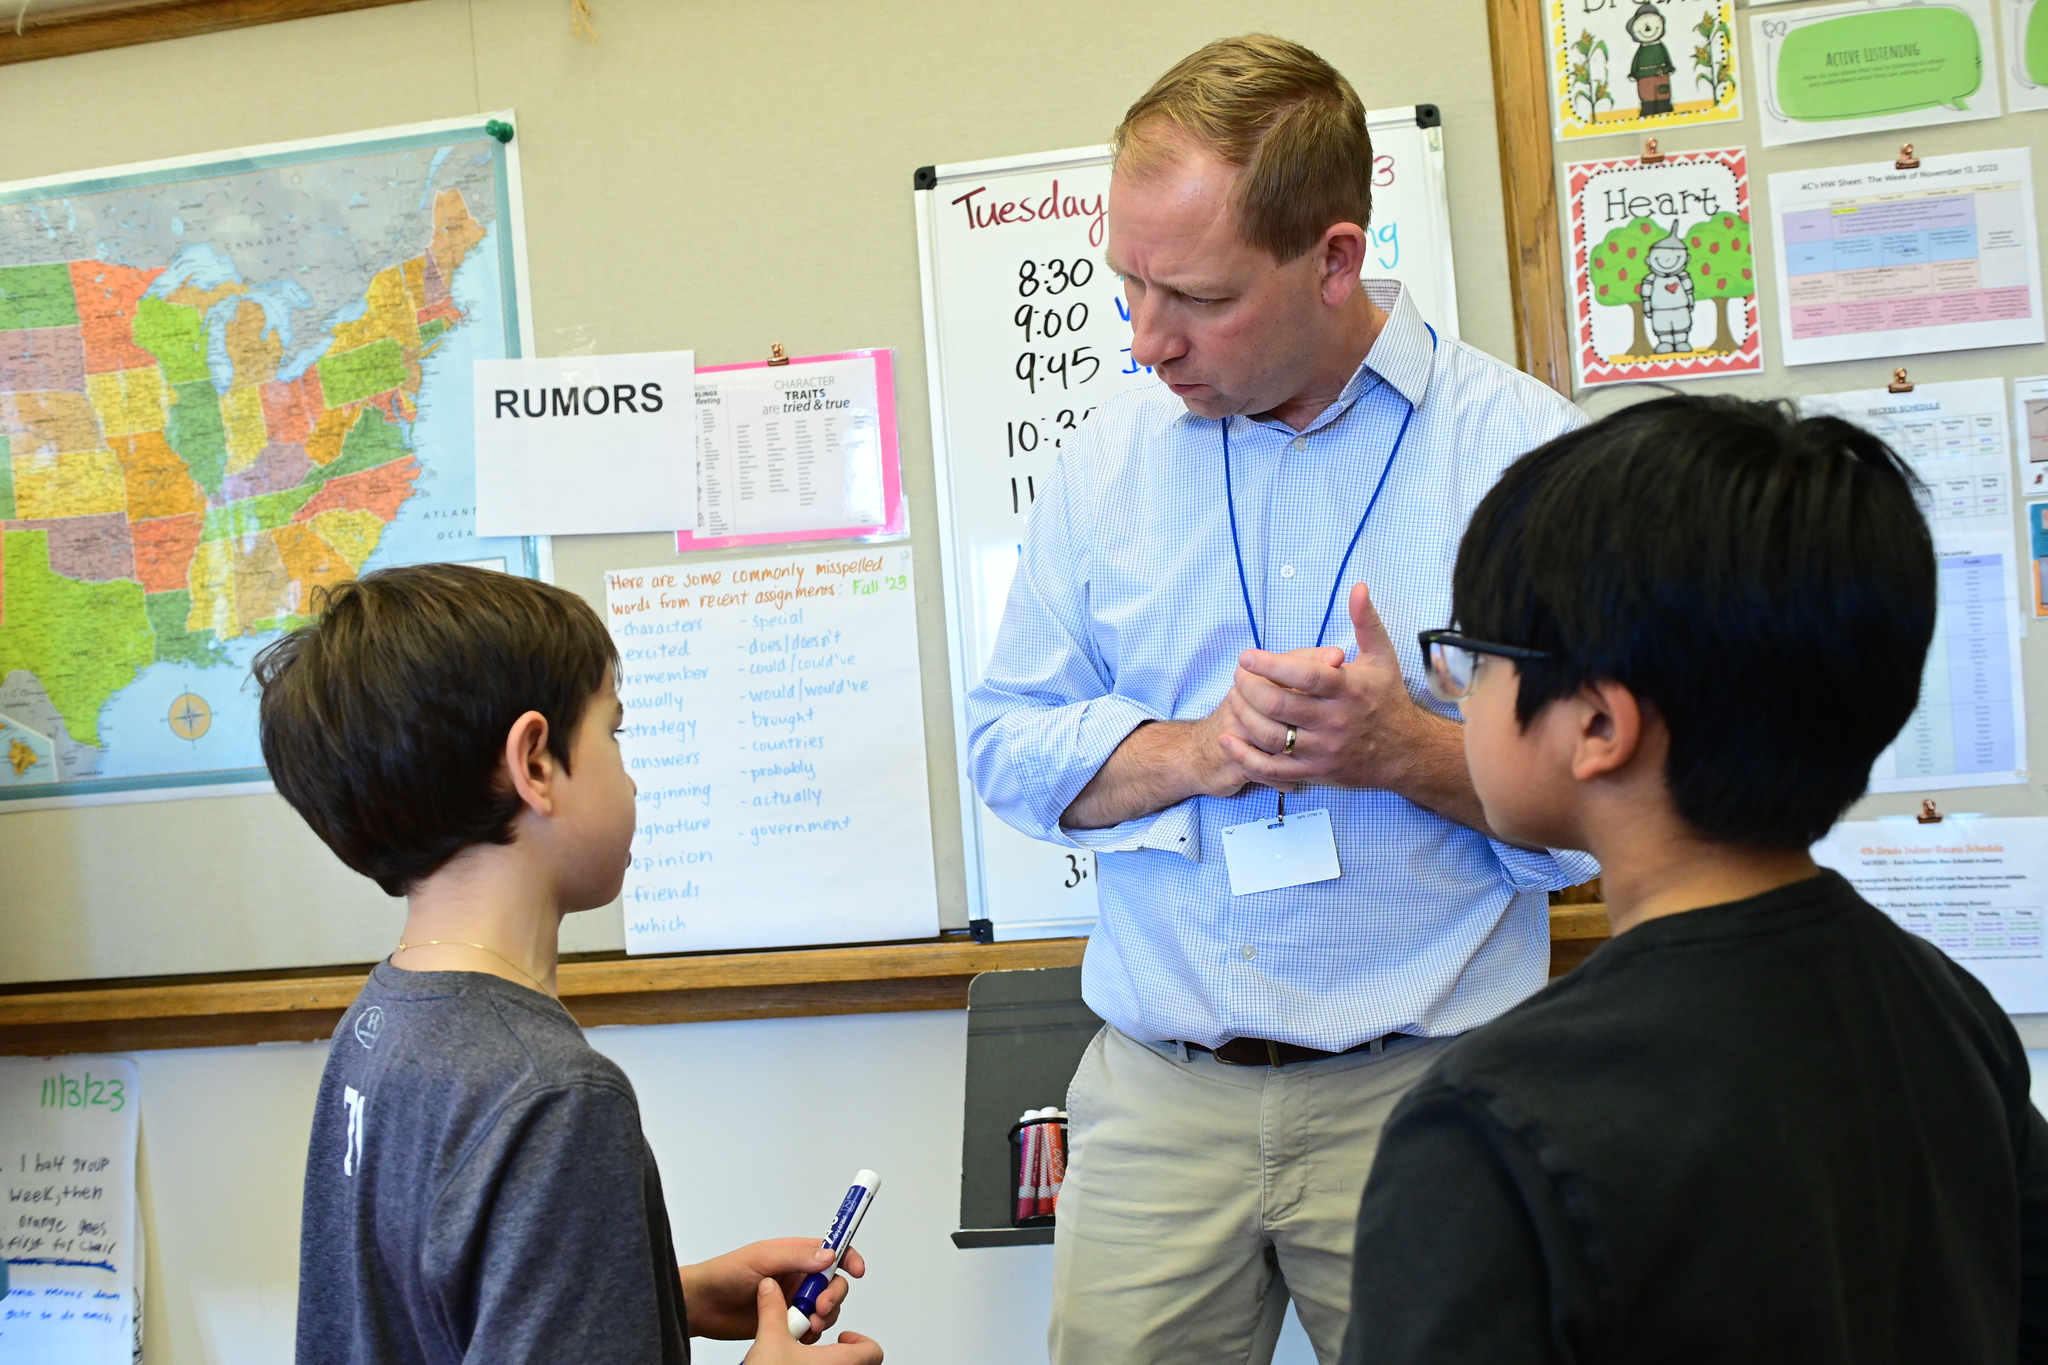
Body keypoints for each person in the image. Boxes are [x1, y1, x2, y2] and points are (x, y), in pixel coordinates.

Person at [964, 34, 1597, 1364]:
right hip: (1156, 1095)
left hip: (1430, 1091)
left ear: (1334, 258)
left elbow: (1608, 807)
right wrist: (1192, 752)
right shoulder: (1105, 468)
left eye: (1194, 296)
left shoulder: (1524, 460)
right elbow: (1005, 743)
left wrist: (1406, 751)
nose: (1146, 341)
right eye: (1126, 284)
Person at [1343, 396, 2048, 1363]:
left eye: (1476, 656)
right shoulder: (1947, 1009)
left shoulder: (1493, 1120)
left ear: (1598, 725)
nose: (1456, 690)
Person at [255, 565, 883, 1365]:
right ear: (537, 763)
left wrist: (657, 1294)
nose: (628, 772)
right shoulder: (556, 1096)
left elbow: (426, 1312)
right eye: (613, 733)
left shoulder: (379, 1025)